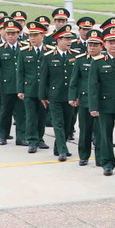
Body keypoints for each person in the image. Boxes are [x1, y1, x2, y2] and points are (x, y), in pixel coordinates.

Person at [89, 25, 115, 176]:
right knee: (105, 136)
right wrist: (94, 106)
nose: (113, 45)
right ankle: (107, 164)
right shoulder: (98, 61)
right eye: (110, 42)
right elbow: (93, 86)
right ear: (104, 44)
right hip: (105, 106)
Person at [39, 25, 76, 161]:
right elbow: (43, 78)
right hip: (54, 96)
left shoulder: (75, 56)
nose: (69, 41)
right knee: (58, 123)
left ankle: (58, 147)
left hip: (69, 96)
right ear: (58, 40)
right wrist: (42, 96)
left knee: (67, 124)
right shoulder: (48, 57)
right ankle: (62, 150)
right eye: (66, 39)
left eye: (70, 39)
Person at [0, 19, 27, 146]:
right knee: (5, 112)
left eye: (13, 33)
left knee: (21, 113)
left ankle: (21, 137)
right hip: (6, 86)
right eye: (8, 33)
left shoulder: (24, 47)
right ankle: (3, 135)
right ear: (4, 34)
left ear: (18, 34)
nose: (10, 36)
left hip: (20, 86)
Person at [70, 29, 102, 166]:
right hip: (84, 100)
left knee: (101, 132)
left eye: (95, 45)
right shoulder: (80, 60)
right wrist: (73, 97)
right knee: (85, 130)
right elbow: (74, 80)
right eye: (90, 45)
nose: (92, 48)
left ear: (102, 46)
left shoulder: (105, 60)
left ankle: (101, 157)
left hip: (101, 101)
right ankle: (84, 155)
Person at [18, 21, 50, 154]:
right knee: (31, 116)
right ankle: (32, 140)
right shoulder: (24, 52)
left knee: (42, 116)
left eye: (35, 35)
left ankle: (40, 138)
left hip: (44, 90)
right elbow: (20, 72)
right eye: (30, 35)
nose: (32, 38)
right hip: (29, 89)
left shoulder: (49, 51)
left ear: (42, 36)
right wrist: (20, 90)